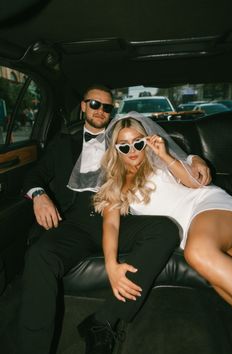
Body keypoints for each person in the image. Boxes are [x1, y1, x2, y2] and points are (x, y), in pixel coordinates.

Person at [17, 85, 211, 354]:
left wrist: (195, 157)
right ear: (83, 106)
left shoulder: (125, 137)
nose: (100, 111)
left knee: (165, 229)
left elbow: (168, 149)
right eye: (94, 104)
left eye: (107, 107)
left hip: (120, 215)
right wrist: (39, 195)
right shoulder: (63, 143)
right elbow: (33, 175)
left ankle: (105, 320)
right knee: (40, 254)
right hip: (75, 221)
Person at [93, 112, 232, 310]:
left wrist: (165, 155)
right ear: (116, 150)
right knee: (219, 280)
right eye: (124, 146)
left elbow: (195, 183)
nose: (132, 150)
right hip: (190, 234)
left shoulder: (158, 162)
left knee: (199, 253)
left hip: (206, 206)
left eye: (138, 142)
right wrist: (111, 264)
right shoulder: (114, 187)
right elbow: (111, 224)